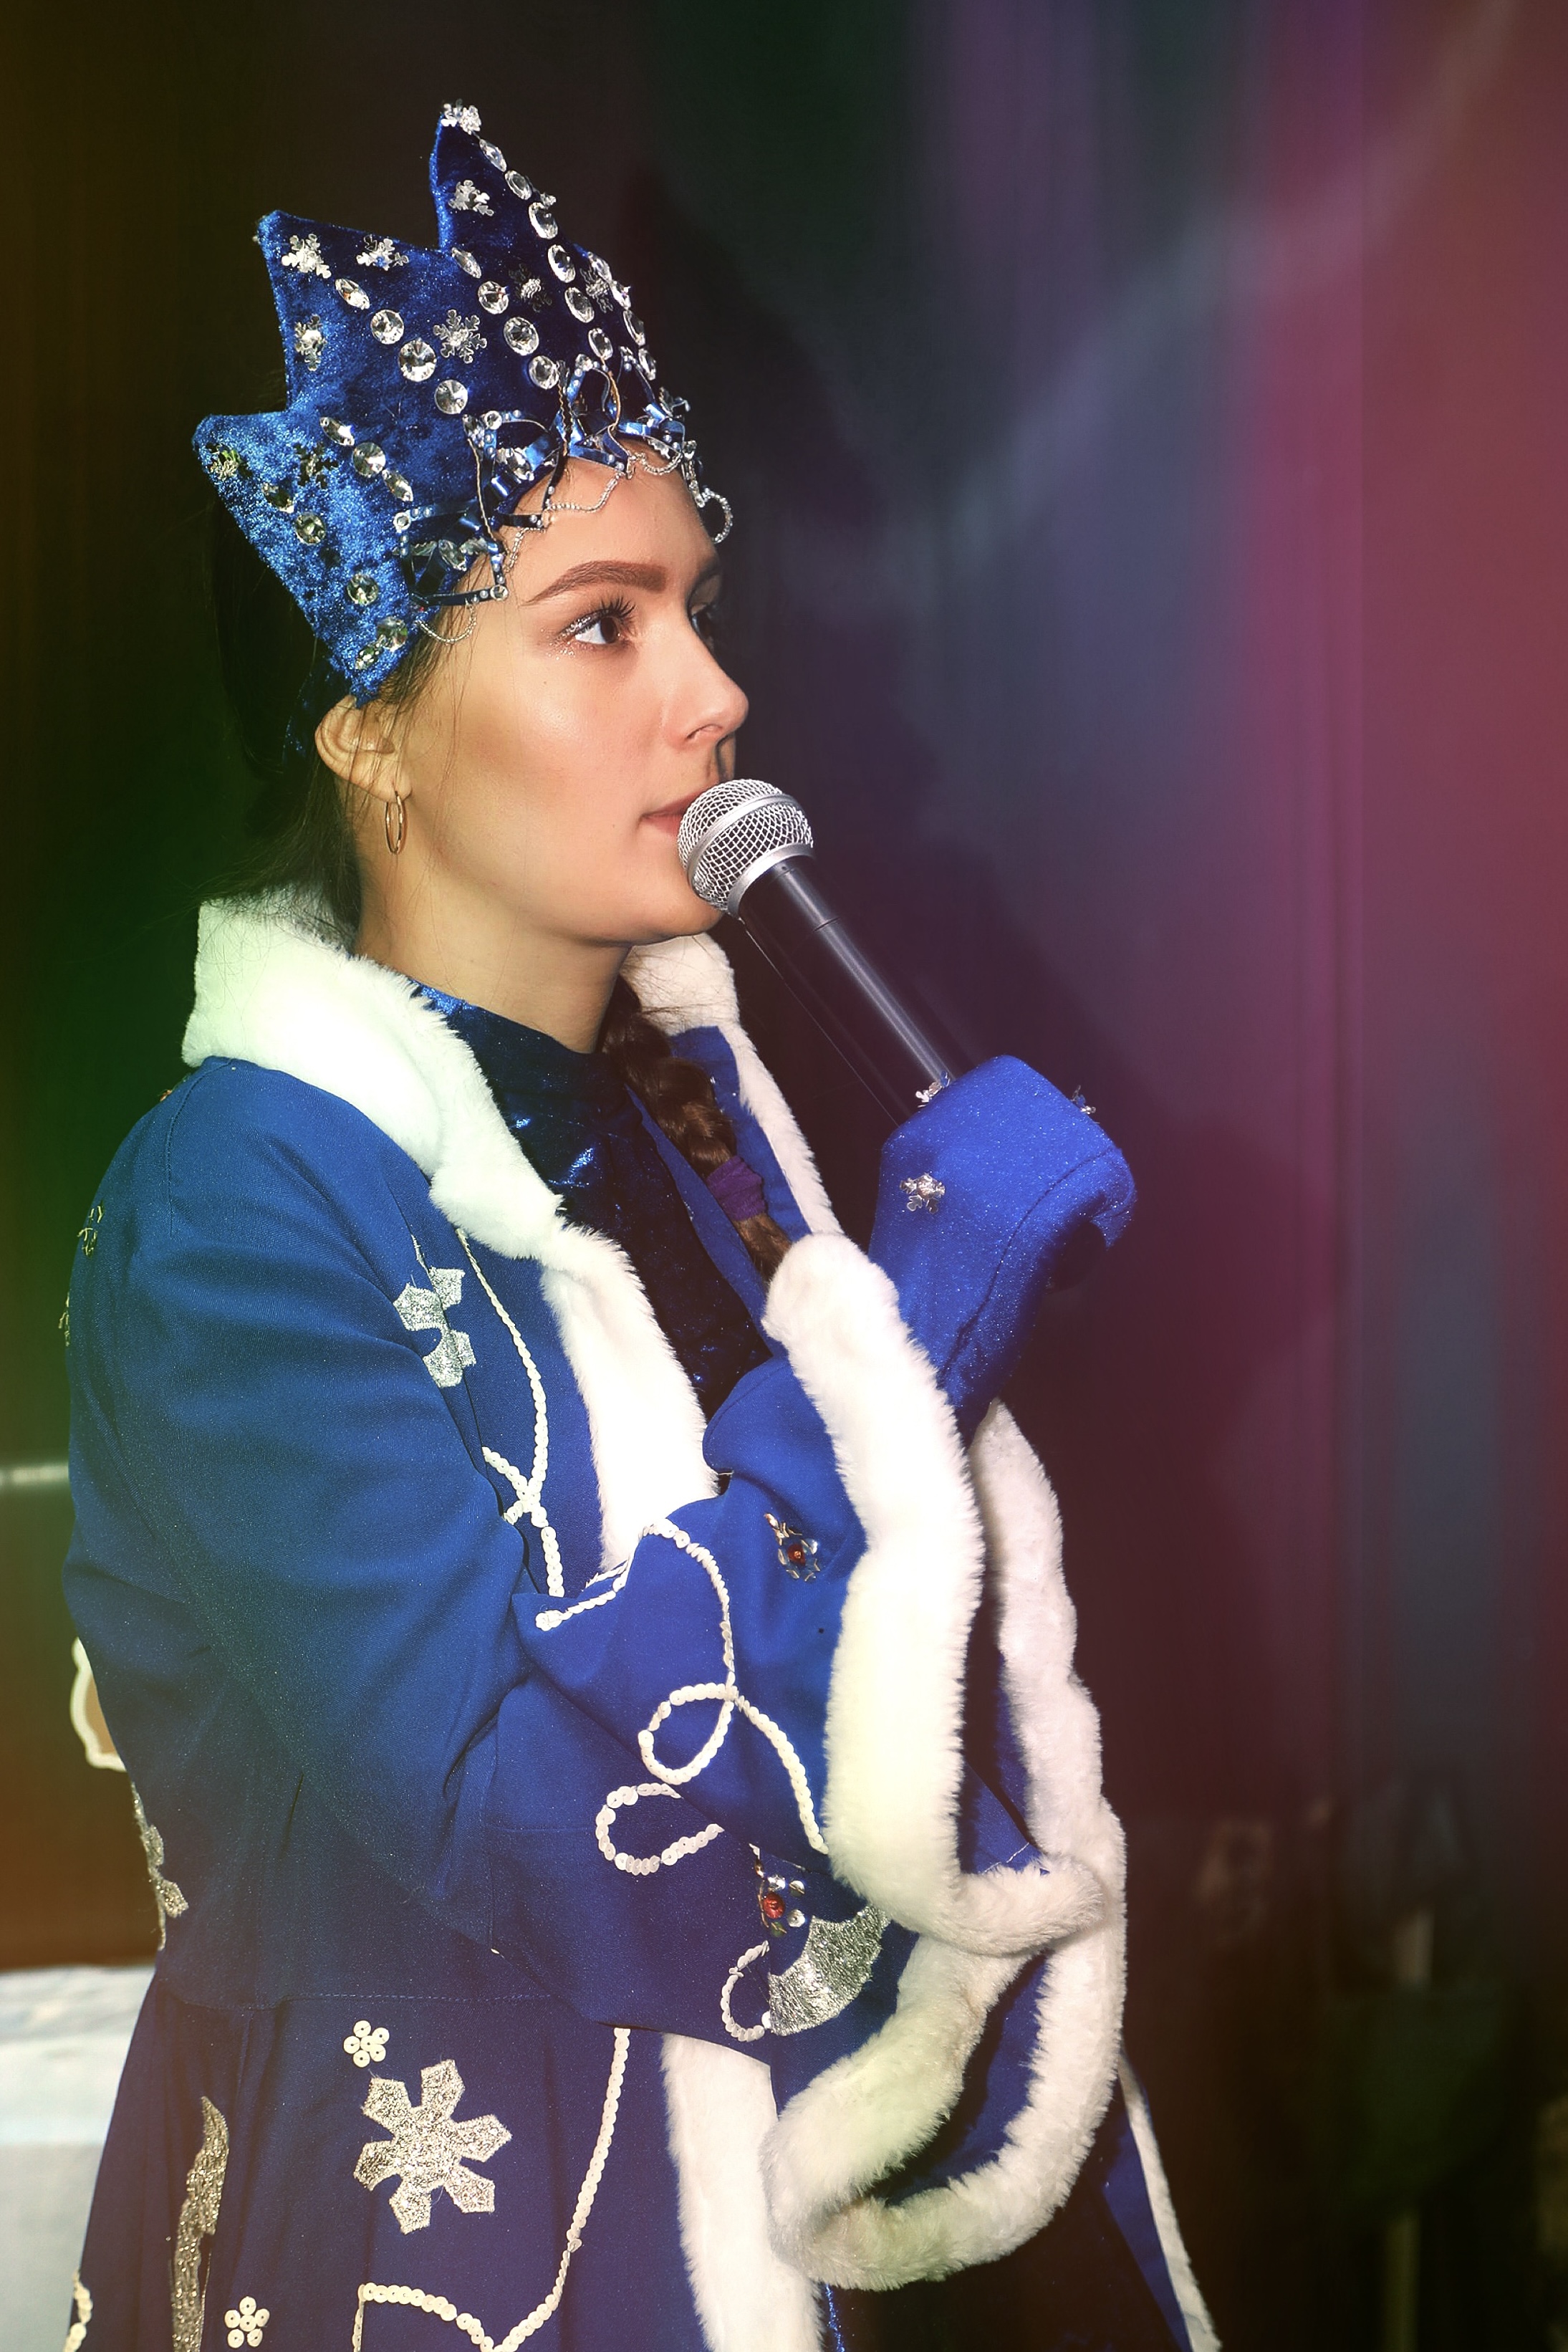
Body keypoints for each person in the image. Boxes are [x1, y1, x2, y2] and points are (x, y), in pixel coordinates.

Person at [61, 101, 1216, 2352]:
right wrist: (911, 1322)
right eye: (603, 625)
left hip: (840, 2220)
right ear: (373, 737)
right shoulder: (230, 1208)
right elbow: (536, 1814)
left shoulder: (687, 1109)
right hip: (483, 2268)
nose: (714, 693)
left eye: (692, 606)